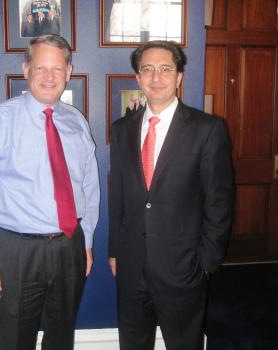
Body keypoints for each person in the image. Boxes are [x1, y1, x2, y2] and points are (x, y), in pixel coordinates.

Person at [0, 34, 100, 350]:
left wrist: (87, 241)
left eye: (57, 68)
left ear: (69, 72)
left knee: (61, 336)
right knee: (15, 340)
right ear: (25, 69)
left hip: (70, 247)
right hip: (17, 250)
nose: (49, 77)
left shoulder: (77, 122)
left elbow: (90, 187)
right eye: (40, 68)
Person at [108, 40, 234, 350]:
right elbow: (118, 196)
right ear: (137, 78)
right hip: (131, 264)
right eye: (147, 69)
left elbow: (220, 202)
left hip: (184, 268)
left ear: (179, 77)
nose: (156, 77)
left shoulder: (208, 129)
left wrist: (207, 261)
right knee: (133, 343)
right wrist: (115, 251)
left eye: (166, 69)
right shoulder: (122, 129)